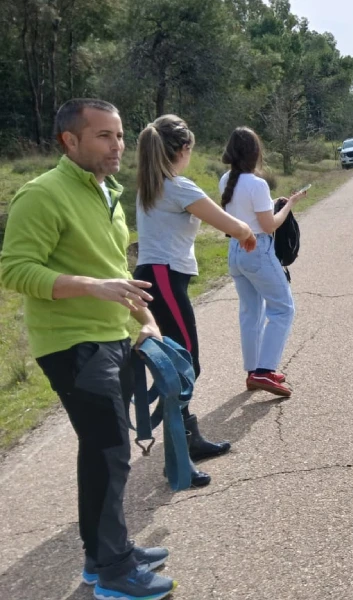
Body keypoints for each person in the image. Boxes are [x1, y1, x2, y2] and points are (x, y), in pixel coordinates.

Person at [0, 98, 177, 599]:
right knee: (109, 450)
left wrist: (148, 322)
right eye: (103, 136)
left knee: (106, 452)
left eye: (119, 135)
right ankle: (114, 572)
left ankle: (105, 555)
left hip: (114, 337)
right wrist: (92, 287)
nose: (117, 146)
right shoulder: (42, 194)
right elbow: (14, 269)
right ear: (70, 140)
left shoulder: (107, 193)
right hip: (71, 344)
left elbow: (116, 272)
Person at [133, 114, 259, 485]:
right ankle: (180, 453)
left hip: (161, 276)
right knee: (183, 365)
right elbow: (231, 224)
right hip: (164, 277)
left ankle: (190, 439)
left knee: (182, 362)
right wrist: (246, 233)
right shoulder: (177, 186)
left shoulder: (153, 186)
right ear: (184, 148)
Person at [218, 127, 305, 397]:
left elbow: (247, 211)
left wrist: (274, 203)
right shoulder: (257, 184)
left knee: (250, 312)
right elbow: (269, 226)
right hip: (257, 249)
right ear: (255, 153)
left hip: (236, 250)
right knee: (283, 309)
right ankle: (265, 371)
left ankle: (253, 371)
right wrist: (289, 205)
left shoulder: (226, 180)